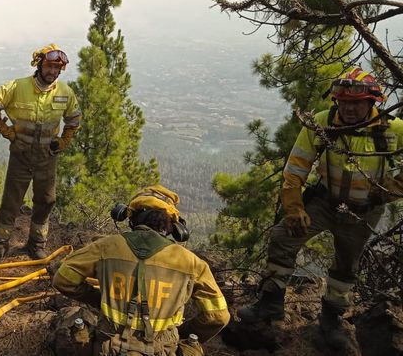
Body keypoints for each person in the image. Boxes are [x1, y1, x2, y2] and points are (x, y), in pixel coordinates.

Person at [238, 67, 403, 349]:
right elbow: (295, 169)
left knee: (346, 264)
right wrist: (293, 207)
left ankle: (332, 320)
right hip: (325, 201)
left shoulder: (393, 129)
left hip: (364, 210)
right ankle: (270, 304)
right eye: (344, 102)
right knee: (282, 237)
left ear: (372, 102)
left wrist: (389, 189)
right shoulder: (321, 124)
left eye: (356, 102)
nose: (349, 108)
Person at [52, 185, 230, 356]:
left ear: (131, 218)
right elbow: (218, 316)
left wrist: (102, 300)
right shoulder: (192, 263)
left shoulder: (105, 247)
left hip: (108, 347)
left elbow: (63, 279)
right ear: (173, 226)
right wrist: (183, 333)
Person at [0, 43, 81, 264]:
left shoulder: (65, 92)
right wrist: (6, 131)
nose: (52, 72)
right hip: (21, 155)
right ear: (39, 64)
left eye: (57, 68)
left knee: (46, 200)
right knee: (11, 202)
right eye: (49, 66)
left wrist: (63, 141)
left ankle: (36, 244)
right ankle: (0, 247)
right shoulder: (18, 87)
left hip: (47, 157)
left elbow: (74, 120)